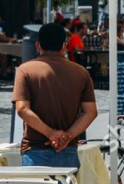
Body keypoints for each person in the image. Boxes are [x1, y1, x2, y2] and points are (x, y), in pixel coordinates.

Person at [12, 22, 98, 168]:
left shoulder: (25, 70)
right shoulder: (81, 72)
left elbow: (22, 109)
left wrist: (51, 133)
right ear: (64, 46)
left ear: (38, 46)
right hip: (68, 148)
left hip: (35, 148)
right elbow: (90, 112)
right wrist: (67, 136)